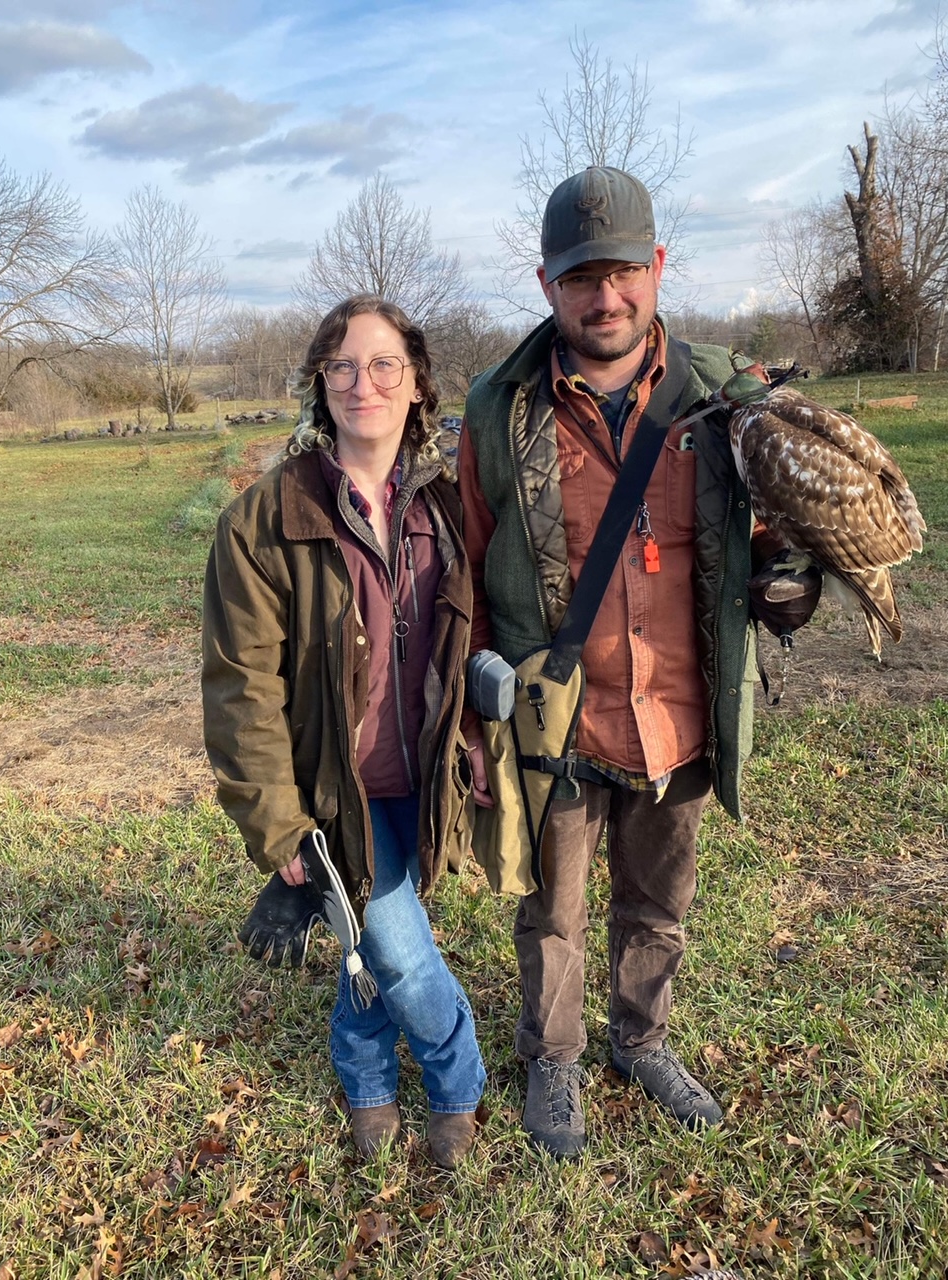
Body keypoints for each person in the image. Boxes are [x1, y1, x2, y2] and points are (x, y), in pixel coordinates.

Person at [458, 166, 793, 1159]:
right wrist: (473, 722)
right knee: (551, 913)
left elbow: (771, 551)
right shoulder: (498, 407)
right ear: (545, 282)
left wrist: (790, 583)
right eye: (579, 277)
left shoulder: (727, 396)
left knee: (659, 901)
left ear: (657, 265)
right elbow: (469, 569)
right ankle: (553, 1054)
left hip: (680, 714)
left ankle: (640, 1040)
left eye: (621, 272)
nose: (603, 296)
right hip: (560, 717)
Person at [202, 295, 486, 1168]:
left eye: (385, 365)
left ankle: (364, 1078)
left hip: (426, 776)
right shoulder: (264, 521)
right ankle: (457, 1083)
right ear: (320, 386)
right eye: (344, 367)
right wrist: (279, 824)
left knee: (363, 936)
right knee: (398, 951)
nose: (365, 382)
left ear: (416, 385)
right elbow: (240, 689)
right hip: (333, 790)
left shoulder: (447, 506)